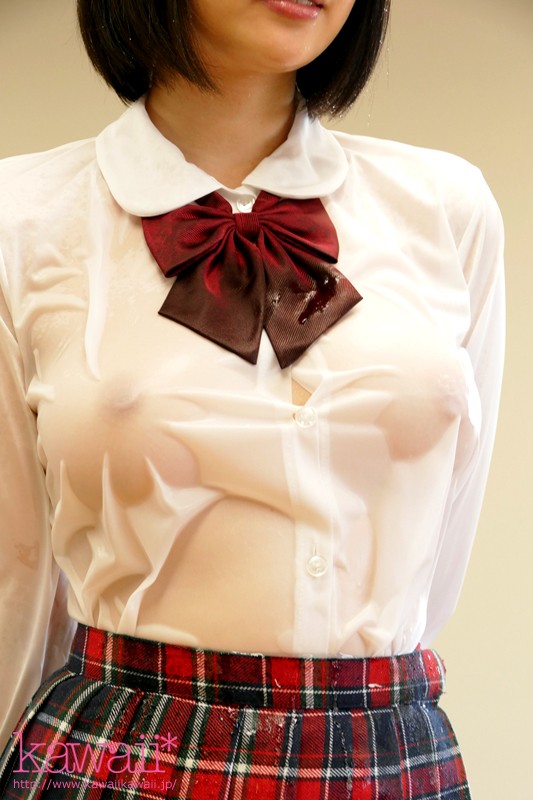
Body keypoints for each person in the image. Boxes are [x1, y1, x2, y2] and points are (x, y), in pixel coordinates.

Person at [0, 0, 504, 797]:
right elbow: (14, 574)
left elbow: (444, 542)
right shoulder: (21, 217)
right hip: (122, 756)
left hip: (387, 757)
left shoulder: (446, 206)